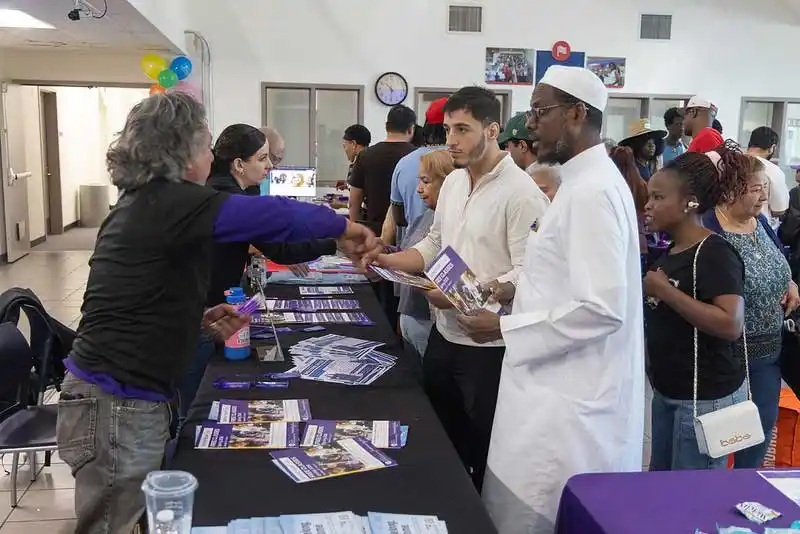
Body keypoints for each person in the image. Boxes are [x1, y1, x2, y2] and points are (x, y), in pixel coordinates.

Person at [56, 92, 380, 534]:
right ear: (180, 150)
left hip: (127, 391)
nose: (212, 157)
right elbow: (276, 215)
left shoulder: (148, 202)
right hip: (117, 398)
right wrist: (344, 227)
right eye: (206, 146)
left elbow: (139, 297)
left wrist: (196, 319)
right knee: (115, 522)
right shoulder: (170, 201)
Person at [459, 65, 645, 533]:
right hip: (544, 390)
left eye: (540, 111)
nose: (530, 124)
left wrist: (503, 327)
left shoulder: (593, 193)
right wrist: (508, 288)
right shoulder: (578, 184)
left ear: (578, 114)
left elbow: (601, 308)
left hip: (565, 407)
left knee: (532, 518)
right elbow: (561, 277)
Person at [367, 85, 549, 491]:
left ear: (492, 130)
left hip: (489, 346)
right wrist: (387, 260)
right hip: (445, 333)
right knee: (439, 437)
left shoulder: (522, 194)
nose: (451, 140)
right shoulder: (452, 183)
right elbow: (435, 244)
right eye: (448, 129)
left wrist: (475, 292)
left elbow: (529, 273)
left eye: (462, 129)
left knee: (484, 448)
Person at [176, 124, 340, 421]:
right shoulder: (224, 199)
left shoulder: (229, 190)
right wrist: (338, 240)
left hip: (208, 306)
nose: (270, 167)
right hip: (197, 313)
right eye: (264, 158)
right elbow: (281, 247)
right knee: (191, 408)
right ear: (239, 164)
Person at [643, 150, 748, 471]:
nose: (648, 205)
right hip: (669, 393)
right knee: (662, 490)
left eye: (658, 197)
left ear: (689, 202)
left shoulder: (714, 252)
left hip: (703, 400)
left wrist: (665, 291)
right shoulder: (670, 253)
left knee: (690, 501)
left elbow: (731, 323)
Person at [700, 142, 798, 468]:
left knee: (760, 429)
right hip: (727, 356)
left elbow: (777, 262)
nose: (763, 197)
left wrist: (791, 283)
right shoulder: (708, 229)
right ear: (730, 190)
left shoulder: (761, 223)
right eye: (756, 189)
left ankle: (743, 491)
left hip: (769, 353)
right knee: (718, 437)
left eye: (765, 189)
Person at [397, 149, 455, 357]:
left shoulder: (452, 224)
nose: (419, 189)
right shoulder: (424, 217)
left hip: (430, 320)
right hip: (410, 314)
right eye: (419, 181)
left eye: (426, 181)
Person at [348, 104, 416, 235]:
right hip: (407, 232)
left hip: (373, 231)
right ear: (411, 129)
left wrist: (355, 231)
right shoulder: (418, 157)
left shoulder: (366, 155)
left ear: (386, 126)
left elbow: (354, 201)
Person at [390, 98, 448, 236]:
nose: (420, 188)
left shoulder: (404, 163)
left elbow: (398, 218)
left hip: (413, 244)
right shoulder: (465, 164)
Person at [746, 126, 789, 228]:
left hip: (728, 224)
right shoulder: (773, 171)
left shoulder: (731, 162)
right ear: (772, 148)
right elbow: (779, 210)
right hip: (760, 227)